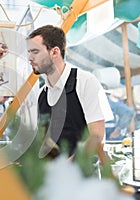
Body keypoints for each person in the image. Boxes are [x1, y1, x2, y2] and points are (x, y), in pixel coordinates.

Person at [27, 25, 113, 160]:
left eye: (35, 52)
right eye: (29, 52)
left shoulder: (85, 82)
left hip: (83, 177)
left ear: (54, 52)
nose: (30, 58)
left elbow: (97, 137)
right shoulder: (41, 94)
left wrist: (66, 167)